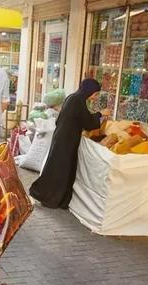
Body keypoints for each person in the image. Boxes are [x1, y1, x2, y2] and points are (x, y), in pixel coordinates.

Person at [29, 79, 105, 209]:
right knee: (61, 171)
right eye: (95, 94)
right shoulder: (78, 101)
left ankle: (53, 198)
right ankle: (51, 199)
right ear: (90, 91)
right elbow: (88, 123)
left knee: (57, 168)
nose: (95, 97)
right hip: (66, 141)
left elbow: (79, 119)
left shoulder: (73, 98)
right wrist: (100, 114)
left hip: (62, 138)